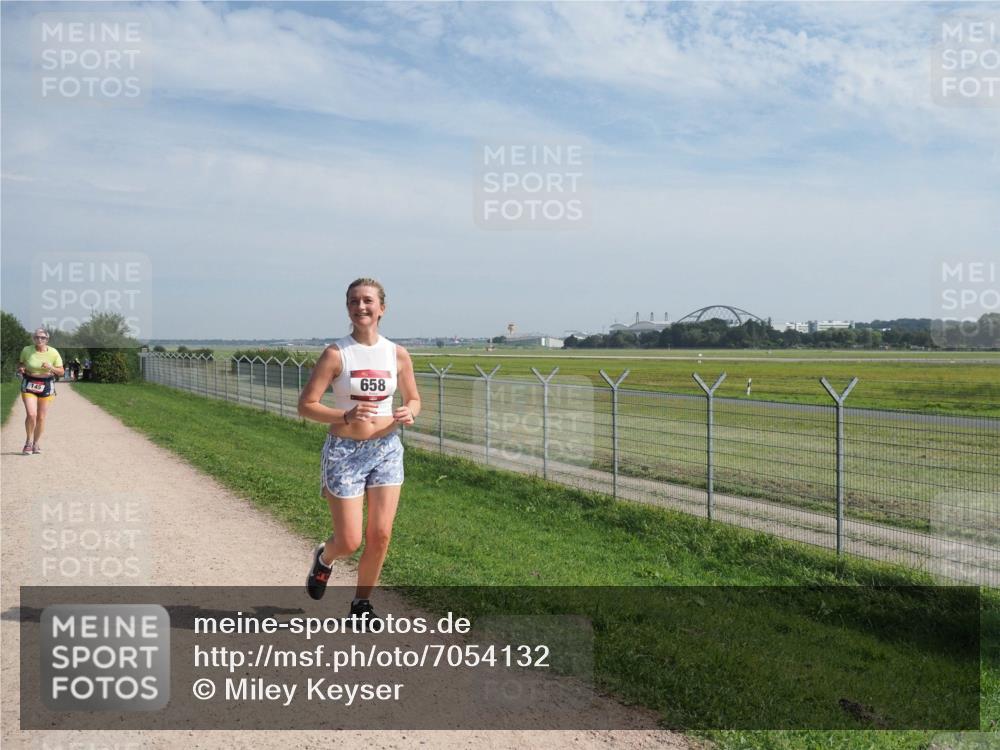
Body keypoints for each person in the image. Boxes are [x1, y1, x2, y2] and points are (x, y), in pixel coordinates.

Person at [298, 278, 421, 624]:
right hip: (345, 452)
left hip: (386, 450)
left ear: (382, 308)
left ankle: (361, 605)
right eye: (354, 302)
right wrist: (344, 415)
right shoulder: (337, 354)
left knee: (380, 534)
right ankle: (325, 558)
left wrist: (410, 410)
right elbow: (306, 405)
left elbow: (413, 398)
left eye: (368, 301)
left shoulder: (397, 354)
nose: (361, 307)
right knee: (350, 540)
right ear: (348, 309)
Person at [16, 328, 65, 455]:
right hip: (29, 383)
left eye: (43, 337)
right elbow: (20, 364)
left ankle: (36, 442)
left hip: (47, 384)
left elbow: (61, 372)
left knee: (41, 417)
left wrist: (51, 367)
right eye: (37, 337)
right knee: (32, 415)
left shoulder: (53, 353)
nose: (40, 339)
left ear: (47, 340)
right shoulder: (27, 350)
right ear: (34, 338)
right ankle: (28, 442)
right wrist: (21, 369)